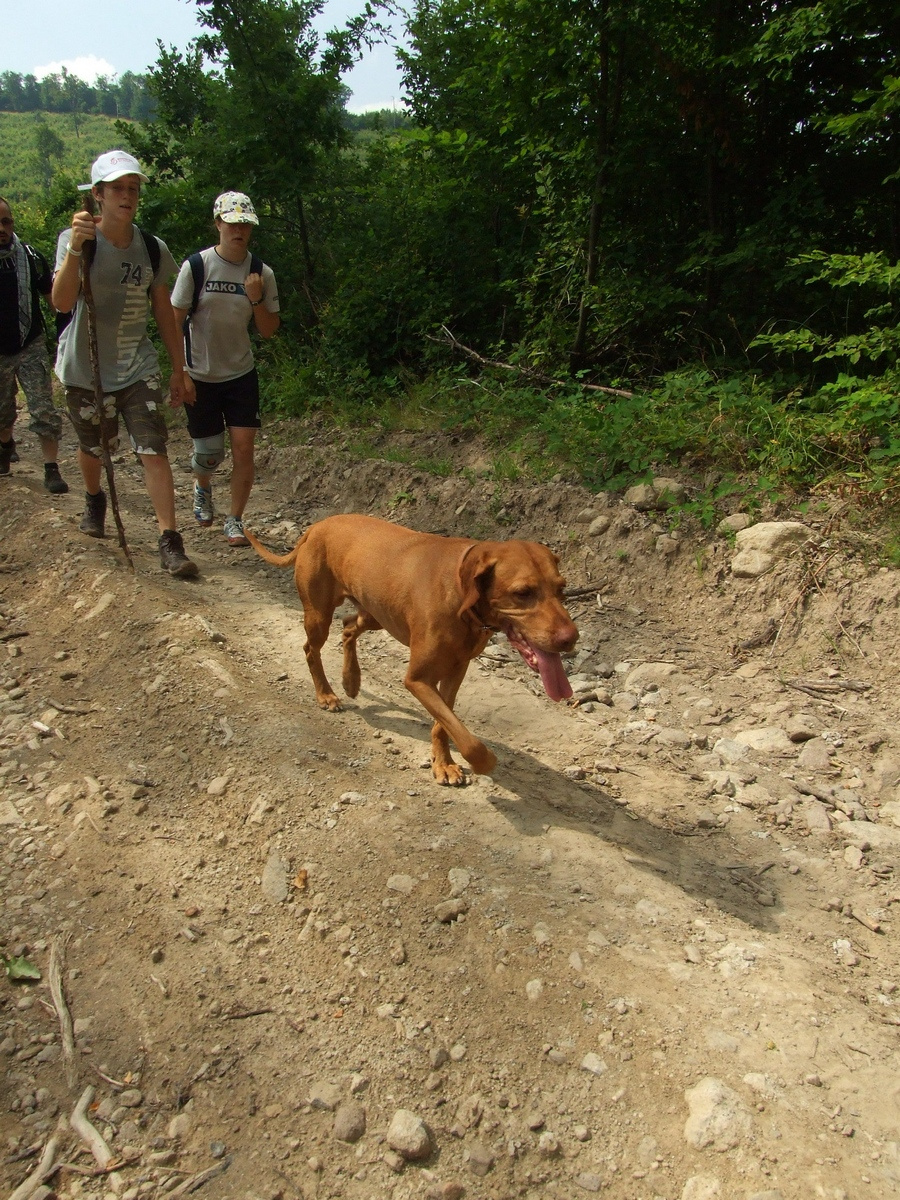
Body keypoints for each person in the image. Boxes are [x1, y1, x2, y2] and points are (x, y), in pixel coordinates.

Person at [51, 150, 198, 578]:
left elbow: (162, 309)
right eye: (117, 187)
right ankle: (95, 498)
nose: (127, 195)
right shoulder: (76, 239)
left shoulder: (152, 248)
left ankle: (170, 540)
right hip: (85, 367)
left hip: (137, 367)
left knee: (153, 448)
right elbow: (61, 302)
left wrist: (178, 368)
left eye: (132, 188)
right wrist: (76, 249)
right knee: (94, 447)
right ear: (97, 194)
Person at [171, 191, 279, 547]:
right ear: (218, 224)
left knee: (244, 447)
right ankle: (202, 486)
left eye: (245, 224)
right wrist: (179, 371)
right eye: (232, 223)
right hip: (200, 373)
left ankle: (235, 520)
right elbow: (173, 321)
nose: (239, 230)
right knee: (209, 455)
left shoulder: (260, 273)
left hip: (240, 375)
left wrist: (257, 297)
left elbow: (268, 330)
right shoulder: (196, 267)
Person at [0, 196, 68, 492]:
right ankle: (5, 446)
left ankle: (51, 468)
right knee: (2, 411)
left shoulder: (29, 256)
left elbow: (54, 298)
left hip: (30, 343)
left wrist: (70, 329)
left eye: (6, 221)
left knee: (43, 408)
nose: (1, 228)